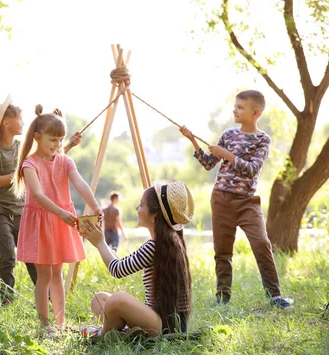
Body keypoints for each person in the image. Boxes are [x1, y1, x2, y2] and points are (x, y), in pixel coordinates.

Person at [179, 89, 291, 308]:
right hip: (221, 199)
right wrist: (192, 140)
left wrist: (227, 155)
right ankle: (222, 298)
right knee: (222, 251)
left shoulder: (262, 140)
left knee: (261, 244)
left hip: (247, 202)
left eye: (240, 107)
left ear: (255, 112)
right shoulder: (228, 135)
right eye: (235, 106)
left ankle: (275, 296)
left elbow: (251, 169)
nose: (235, 110)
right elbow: (209, 164)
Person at [0, 95, 81, 304]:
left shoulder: (22, 147)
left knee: (33, 255)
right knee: (8, 253)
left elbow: (48, 158)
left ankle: (46, 295)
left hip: (21, 208)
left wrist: (69, 145)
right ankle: (7, 298)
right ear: (6, 123)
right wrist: (23, 171)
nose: (23, 122)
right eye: (19, 118)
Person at [14, 105, 101, 333]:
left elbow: (80, 183)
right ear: (37, 137)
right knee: (43, 275)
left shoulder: (64, 161)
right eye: (52, 140)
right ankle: (45, 324)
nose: (57, 145)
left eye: (60, 140)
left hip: (61, 220)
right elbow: (39, 196)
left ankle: (60, 324)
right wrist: (61, 213)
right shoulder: (29, 164)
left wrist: (94, 204)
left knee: (57, 274)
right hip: (42, 221)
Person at [80, 182, 194, 340]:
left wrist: (100, 243)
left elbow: (117, 270)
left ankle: (101, 334)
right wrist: (102, 242)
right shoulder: (167, 244)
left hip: (163, 326)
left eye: (141, 205)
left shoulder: (155, 246)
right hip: (157, 320)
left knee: (117, 300)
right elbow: (120, 264)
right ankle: (122, 332)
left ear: (155, 215)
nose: (137, 209)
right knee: (99, 300)